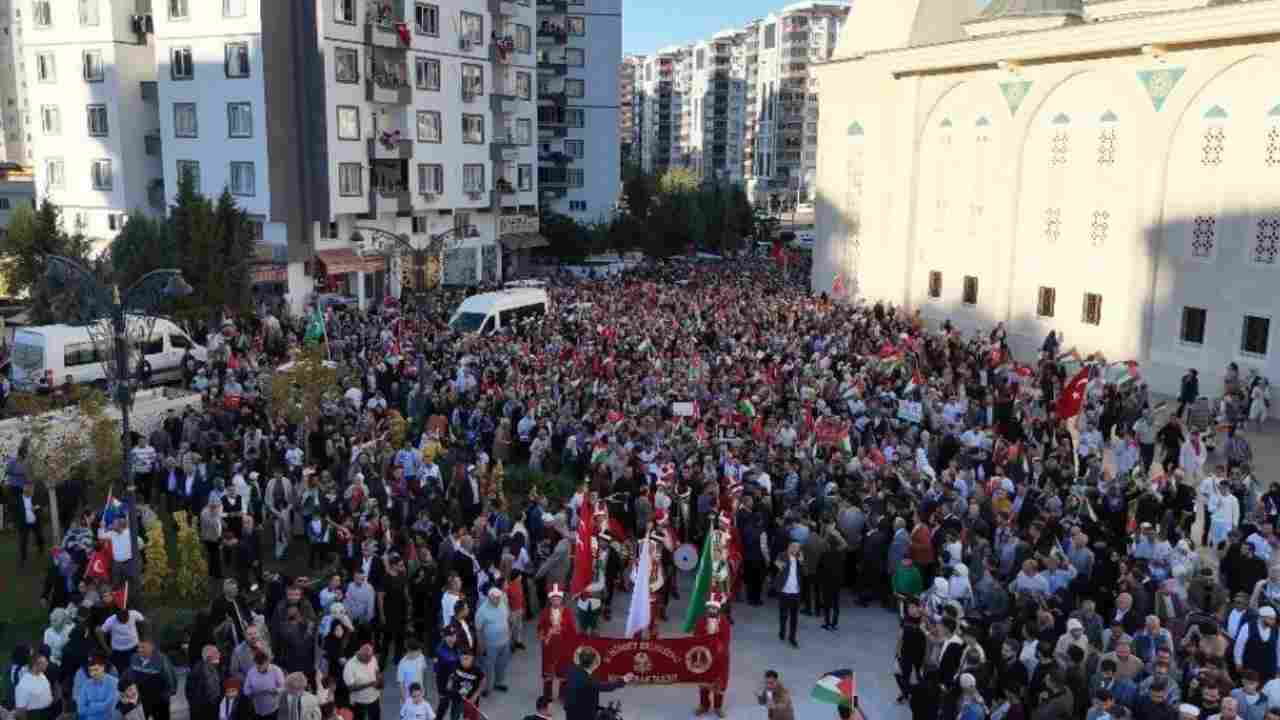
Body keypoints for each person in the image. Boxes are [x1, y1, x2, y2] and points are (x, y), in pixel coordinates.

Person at [563, 648, 631, 720]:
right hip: (582, 714)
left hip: (571, 711)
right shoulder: (586, 679)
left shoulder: (573, 671)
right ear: (593, 663)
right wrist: (623, 680)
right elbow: (607, 687)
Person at [537, 584, 577, 701]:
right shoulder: (545, 612)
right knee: (548, 671)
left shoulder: (567, 612)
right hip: (549, 647)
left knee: (563, 670)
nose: (556, 601)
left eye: (558, 599)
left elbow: (572, 629)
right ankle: (547, 695)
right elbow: (540, 628)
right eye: (554, 599)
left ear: (561, 600)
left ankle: (562, 695)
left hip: (563, 646)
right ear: (550, 600)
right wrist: (545, 636)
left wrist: (563, 630)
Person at [694, 593, 730, 718]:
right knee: (704, 682)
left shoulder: (724, 622)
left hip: (720, 658)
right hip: (704, 657)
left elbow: (725, 640)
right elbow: (696, 638)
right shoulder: (701, 621)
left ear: (719, 609)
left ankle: (718, 707)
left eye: (714, 608)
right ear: (707, 608)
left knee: (719, 683)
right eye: (710, 608)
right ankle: (704, 705)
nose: (712, 610)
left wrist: (717, 649)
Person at [474, 587, 512, 696]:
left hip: (504, 642)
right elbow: (478, 629)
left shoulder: (502, 604)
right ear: (489, 598)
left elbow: (507, 619)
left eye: (499, 597)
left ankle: (498, 683)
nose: (498, 600)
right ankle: (486, 687)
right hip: (490, 645)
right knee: (488, 667)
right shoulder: (482, 611)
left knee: (502, 664)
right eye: (495, 598)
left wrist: (509, 634)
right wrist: (481, 645)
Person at [127, 639, 177, 720]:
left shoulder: (161, 659)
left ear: (151, 647)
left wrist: (170, 691)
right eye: (138, 647)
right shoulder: (135, 658)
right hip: (144, 696)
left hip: (160, 696)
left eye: (143, 647)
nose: (140, 650)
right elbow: (131, 675)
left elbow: (169, 676)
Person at [773, 541, 803, 648]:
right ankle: (782, 631)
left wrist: (800, 561)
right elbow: (777, 564)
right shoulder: (782, 555)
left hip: (796, 591)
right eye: (793, 547)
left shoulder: (799, 558)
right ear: (789, 547)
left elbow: (803, 570)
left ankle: (792, 637)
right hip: (784, 591)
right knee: (783, 614)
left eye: (798, 547)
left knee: (794, 617)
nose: (796, 549)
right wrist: (786, 558)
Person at [342, 644, 381, 720]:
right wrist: (370, 684)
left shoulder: (372, 658)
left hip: (375, 698)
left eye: (371, 657)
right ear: (360, 655)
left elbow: (377, 670)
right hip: (359, 702)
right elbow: (351, 688)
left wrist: (379, 679)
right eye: (367, 659)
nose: (370, 660)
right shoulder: (350, 666)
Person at [242, 651, 285, 720]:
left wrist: (276, 690)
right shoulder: (251, 672)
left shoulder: (276, 670)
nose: (259, 667)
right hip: (257, 709)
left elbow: (283, 687)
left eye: (261, 664)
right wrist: (251, 693)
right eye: (257, 665)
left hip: (273, 709)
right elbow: (246, 689)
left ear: (267, 662)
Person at [445, 650, 484, 720]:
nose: (463, 661)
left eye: (466, 659)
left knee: (471, 716)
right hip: (457, 696)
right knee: (454, 715)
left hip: (471, 698)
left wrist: (476, 695)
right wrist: (450, 681)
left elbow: (483, 681)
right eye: (461, 658)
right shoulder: (456, 663)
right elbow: (452, 673)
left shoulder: (477, 669)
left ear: (472, 658)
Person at [14, 654, 54, 720]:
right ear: (35, 665)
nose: (47, 663)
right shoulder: (24, 684)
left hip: (48, 713)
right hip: (35, 716)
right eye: (44, 662)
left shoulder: (42, 675)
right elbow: (20, 710)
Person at [16, 482, 45, 567]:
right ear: (24, 489)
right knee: (23, 541)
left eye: (31, 489)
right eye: (28, 489)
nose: (30, 491)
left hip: (35, 522)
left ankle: (41, 549)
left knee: (39, 536)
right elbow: (15, 511)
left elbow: (41, 505)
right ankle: (23, 558)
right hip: (24, 523)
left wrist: (37, 507)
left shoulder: (35, 497)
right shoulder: (19, 499)